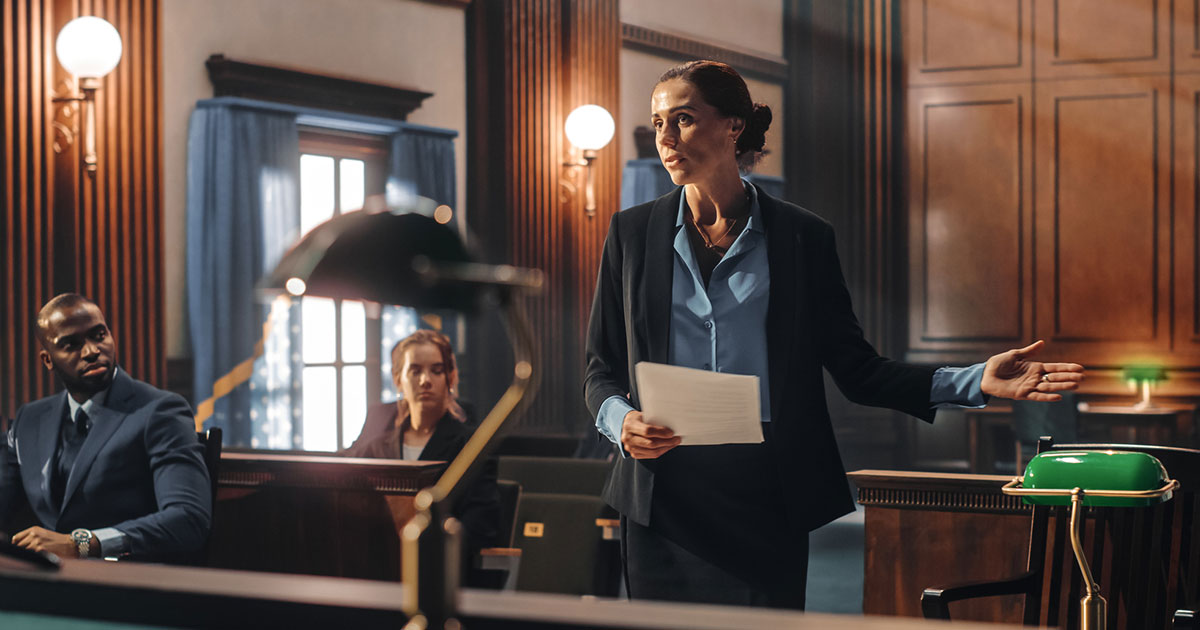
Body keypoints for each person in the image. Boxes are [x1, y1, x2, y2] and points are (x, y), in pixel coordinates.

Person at [583, 60, 1084, 609]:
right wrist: (621, 421)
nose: (666, 138)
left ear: (733, 126)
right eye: (658, 123)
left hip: (764, 495)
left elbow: (858, 370)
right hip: (662, 498)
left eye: (682, 119)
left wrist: (974, 381)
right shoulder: (630, 234)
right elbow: (599, 369)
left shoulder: (802, 238)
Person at [0, 294, 211, 562]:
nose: (91, 351)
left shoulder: (160, 411)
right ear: (48, 359)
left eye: (99, 335)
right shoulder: (29, 419)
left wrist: (82, 544)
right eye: (71, 344)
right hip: (46, 585)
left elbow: (189, 519)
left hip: (128, 586)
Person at [343, 330, 501, 556]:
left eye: (436, 371)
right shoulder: (375, 448)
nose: (425, 381)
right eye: (415, 371)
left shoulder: (473, 446)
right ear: (398, 380)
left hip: (441, 569)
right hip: (379, 567)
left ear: (451, 378)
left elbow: (480, 529)